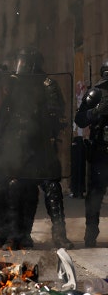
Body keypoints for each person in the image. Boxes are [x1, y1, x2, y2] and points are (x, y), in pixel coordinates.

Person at [0, 47, 72, 250]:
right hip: (16, 144)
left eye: (24, 62)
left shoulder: (47, 84)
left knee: (52, 186)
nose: (21, 66)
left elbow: (56, 114)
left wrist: (41, 124)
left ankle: (59, 235)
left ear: (33, 63)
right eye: (19, 62)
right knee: (4, 183)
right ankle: (8, 233)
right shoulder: (12, 83)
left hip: (41, 144)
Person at [74, 59, 108, 248]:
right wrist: (96, 111)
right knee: (94, 196)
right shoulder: (96, 94)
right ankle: (91, 233)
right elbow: (80, 120)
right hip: (101, 153)